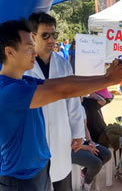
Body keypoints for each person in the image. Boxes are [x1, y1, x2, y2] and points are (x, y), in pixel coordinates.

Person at [0, 19, 122, 191]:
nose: (34, 53)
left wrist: (106, 77)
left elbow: (67, 83)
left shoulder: (25, 82)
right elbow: (61, 90)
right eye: (29, 47)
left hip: (39, 168)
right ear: (9, 52)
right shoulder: (9, 91)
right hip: (20, 178)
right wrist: (108, 79)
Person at [26, 12, 84, 191]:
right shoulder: (22, 67)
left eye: (54, 35)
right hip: (32, 142)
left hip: (60, 137)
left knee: (61, 181)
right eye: (46, 35)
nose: (52, 40)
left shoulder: (63, 64)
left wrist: (77, 132)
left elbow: (73, 101)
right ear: (33, 36)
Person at [82, 88, 122, 184]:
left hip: (104, 133)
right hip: (100, 138)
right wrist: (93, 93)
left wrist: (94, 94)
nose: (106, 101)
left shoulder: (89, 102)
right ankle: (121, 172)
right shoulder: (89, 104)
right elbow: (104, 100)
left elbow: (109, 98)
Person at [72, 104, 111, 191]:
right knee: (96, 163)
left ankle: (84, 175)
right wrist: (87, 148)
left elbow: (85, 127)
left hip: (82, 143)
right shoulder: (65, 111)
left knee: (106, 154)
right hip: (71, 148)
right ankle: (87, 183)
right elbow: (69, 143)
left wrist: (90, 141)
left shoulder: (81, 108)